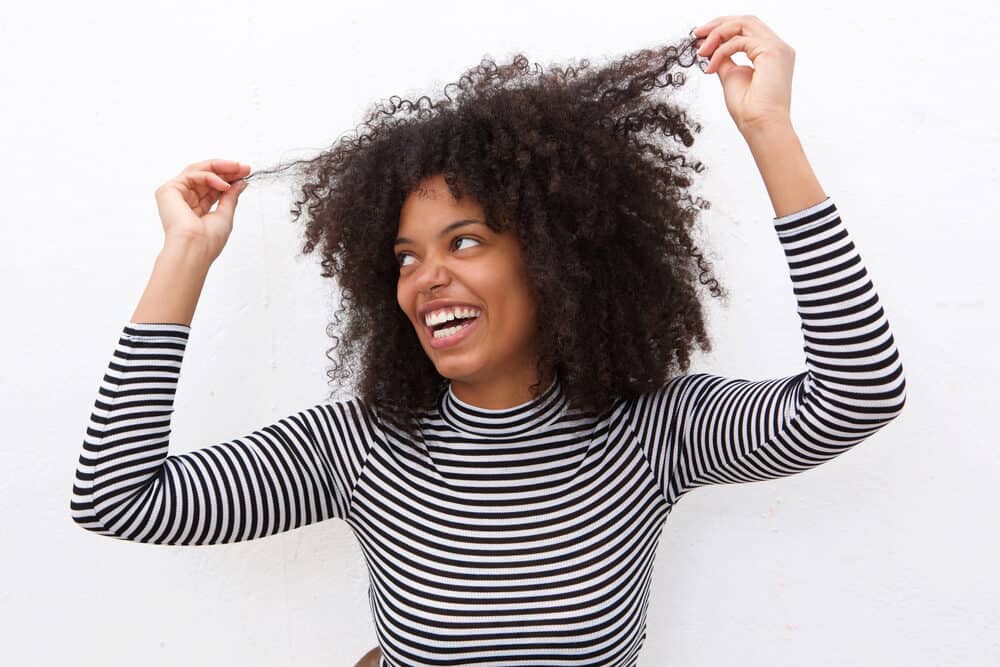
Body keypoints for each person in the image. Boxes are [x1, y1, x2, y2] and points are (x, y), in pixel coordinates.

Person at [70, 15, 907, 667]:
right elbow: (117, 499)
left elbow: (859, 393)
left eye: (464, 241)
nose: (425, 277)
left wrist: (769, 130)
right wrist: (185, 256)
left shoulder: (650, 432)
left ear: (551, 259)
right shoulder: (358, 447)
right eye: (405, 257)